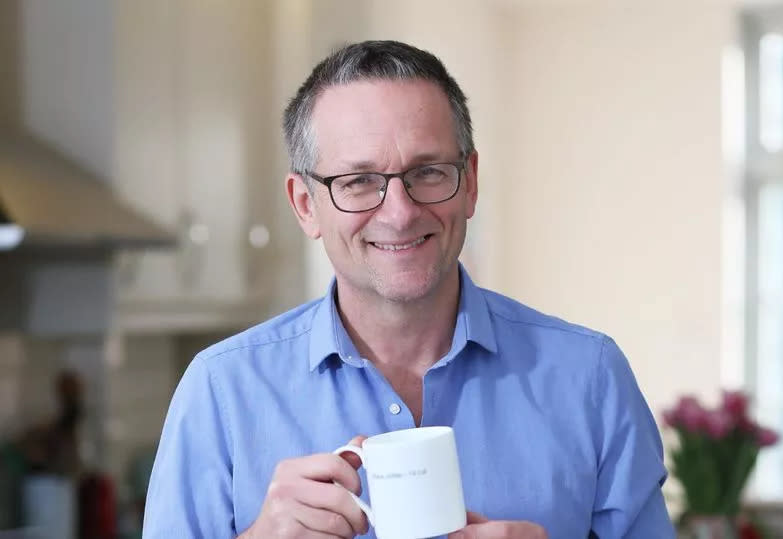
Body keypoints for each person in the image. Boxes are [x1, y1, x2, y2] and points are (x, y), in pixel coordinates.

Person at [144, 40, 675, 538]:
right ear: (305, 205)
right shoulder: (219, 391)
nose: (399, 213)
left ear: (469, 182)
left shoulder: (591, 378)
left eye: (428, 172)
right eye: (357, 181)